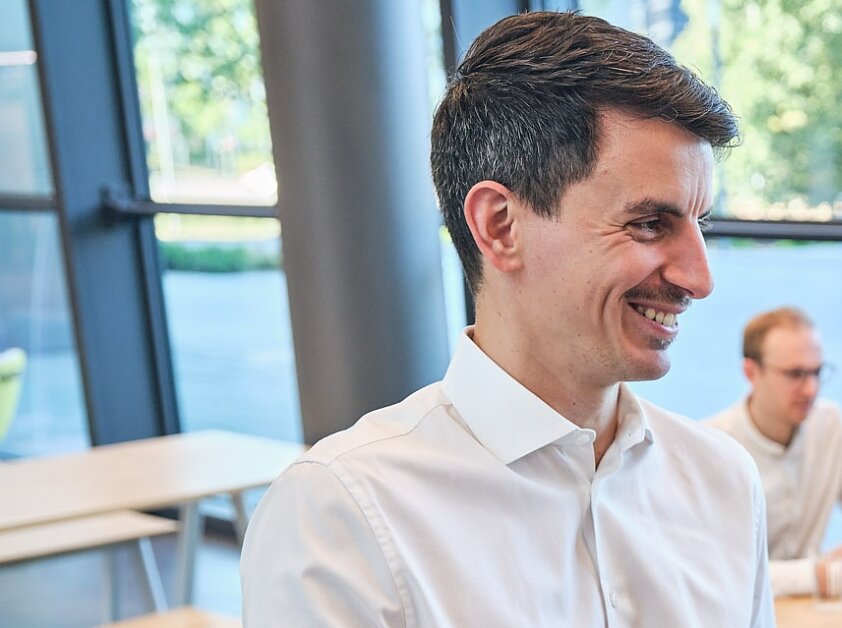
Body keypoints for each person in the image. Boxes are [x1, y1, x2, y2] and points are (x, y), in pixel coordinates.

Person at [240, 12, 772, 626]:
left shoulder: (724, 480)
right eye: (649, 224)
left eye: (699, 223)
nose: (699, 279)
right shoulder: (343, 515)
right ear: (500, 226)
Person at [704, 307, 842, 597]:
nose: (811, 389)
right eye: (795, 374)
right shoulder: (713, 446)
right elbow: (716, 569)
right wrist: (817, 575)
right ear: (751, 372)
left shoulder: (830, 425)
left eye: (817, 372)